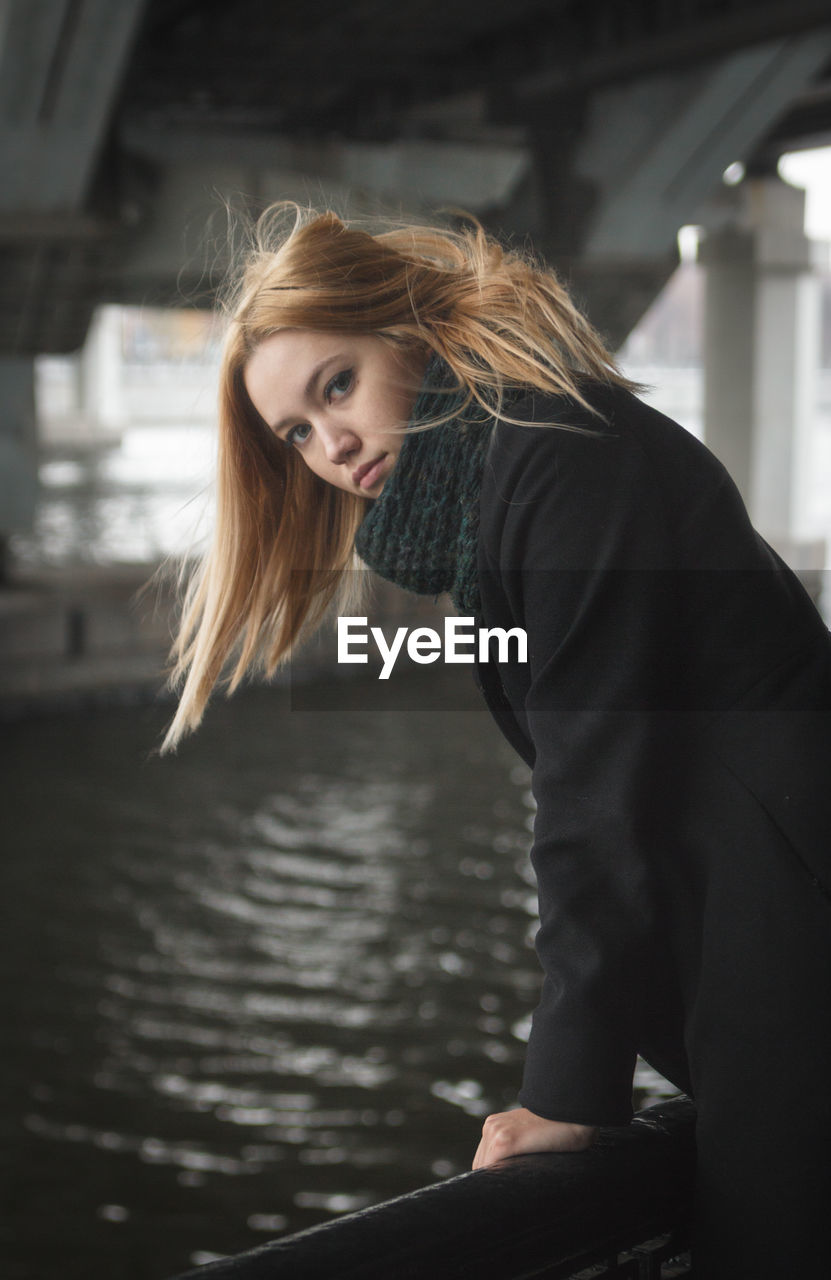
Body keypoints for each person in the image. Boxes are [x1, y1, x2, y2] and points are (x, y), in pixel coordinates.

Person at [164, 203, 831, 1276]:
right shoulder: (506, 480)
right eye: (295, 432)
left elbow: (592, 798)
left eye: (335, 385)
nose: (329, 445)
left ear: (412, 331)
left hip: (796, 923)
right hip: (763, 933)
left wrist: (567, 1095)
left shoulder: (557, 459)